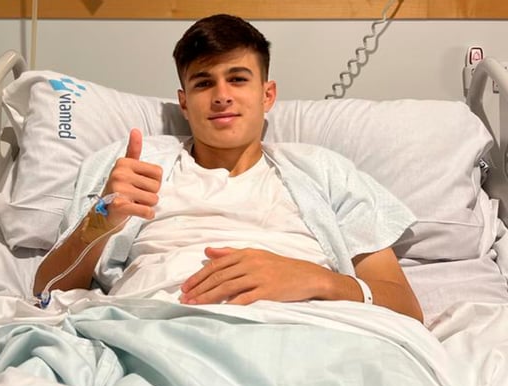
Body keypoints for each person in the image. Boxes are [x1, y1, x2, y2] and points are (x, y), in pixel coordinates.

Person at [34, 14, 423, 323]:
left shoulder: (324, 172)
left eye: (237, 79)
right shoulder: (134, 166)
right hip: (153, 329)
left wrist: (317, 280)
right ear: (184, 103)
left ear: (267, 94)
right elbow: (48, 290)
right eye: (204, 83)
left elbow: (405, 307)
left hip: (305, 331)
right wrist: (100, 220)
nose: (222, 96)